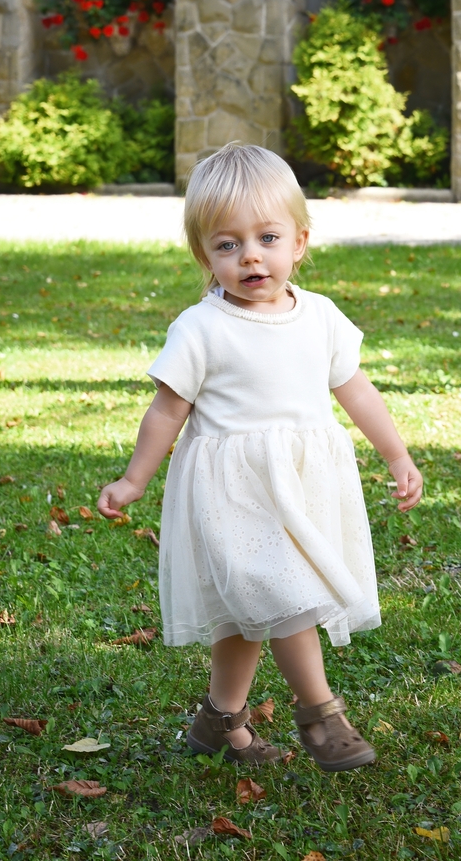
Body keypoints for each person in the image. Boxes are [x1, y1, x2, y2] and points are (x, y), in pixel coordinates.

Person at [98, 142, 423, 773]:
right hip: (233, 493)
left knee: (245, 615)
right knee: (285, 596)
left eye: (267, 238)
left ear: (299, 242)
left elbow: (356, 389)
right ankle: (321, 713)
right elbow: (167, 409)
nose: (250, 255)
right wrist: (135, 479)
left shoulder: (320, 317)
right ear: (205, 255)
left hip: (301, 488)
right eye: (228, 244)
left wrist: (396, 455)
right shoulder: (200, 328)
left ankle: (221, 721)